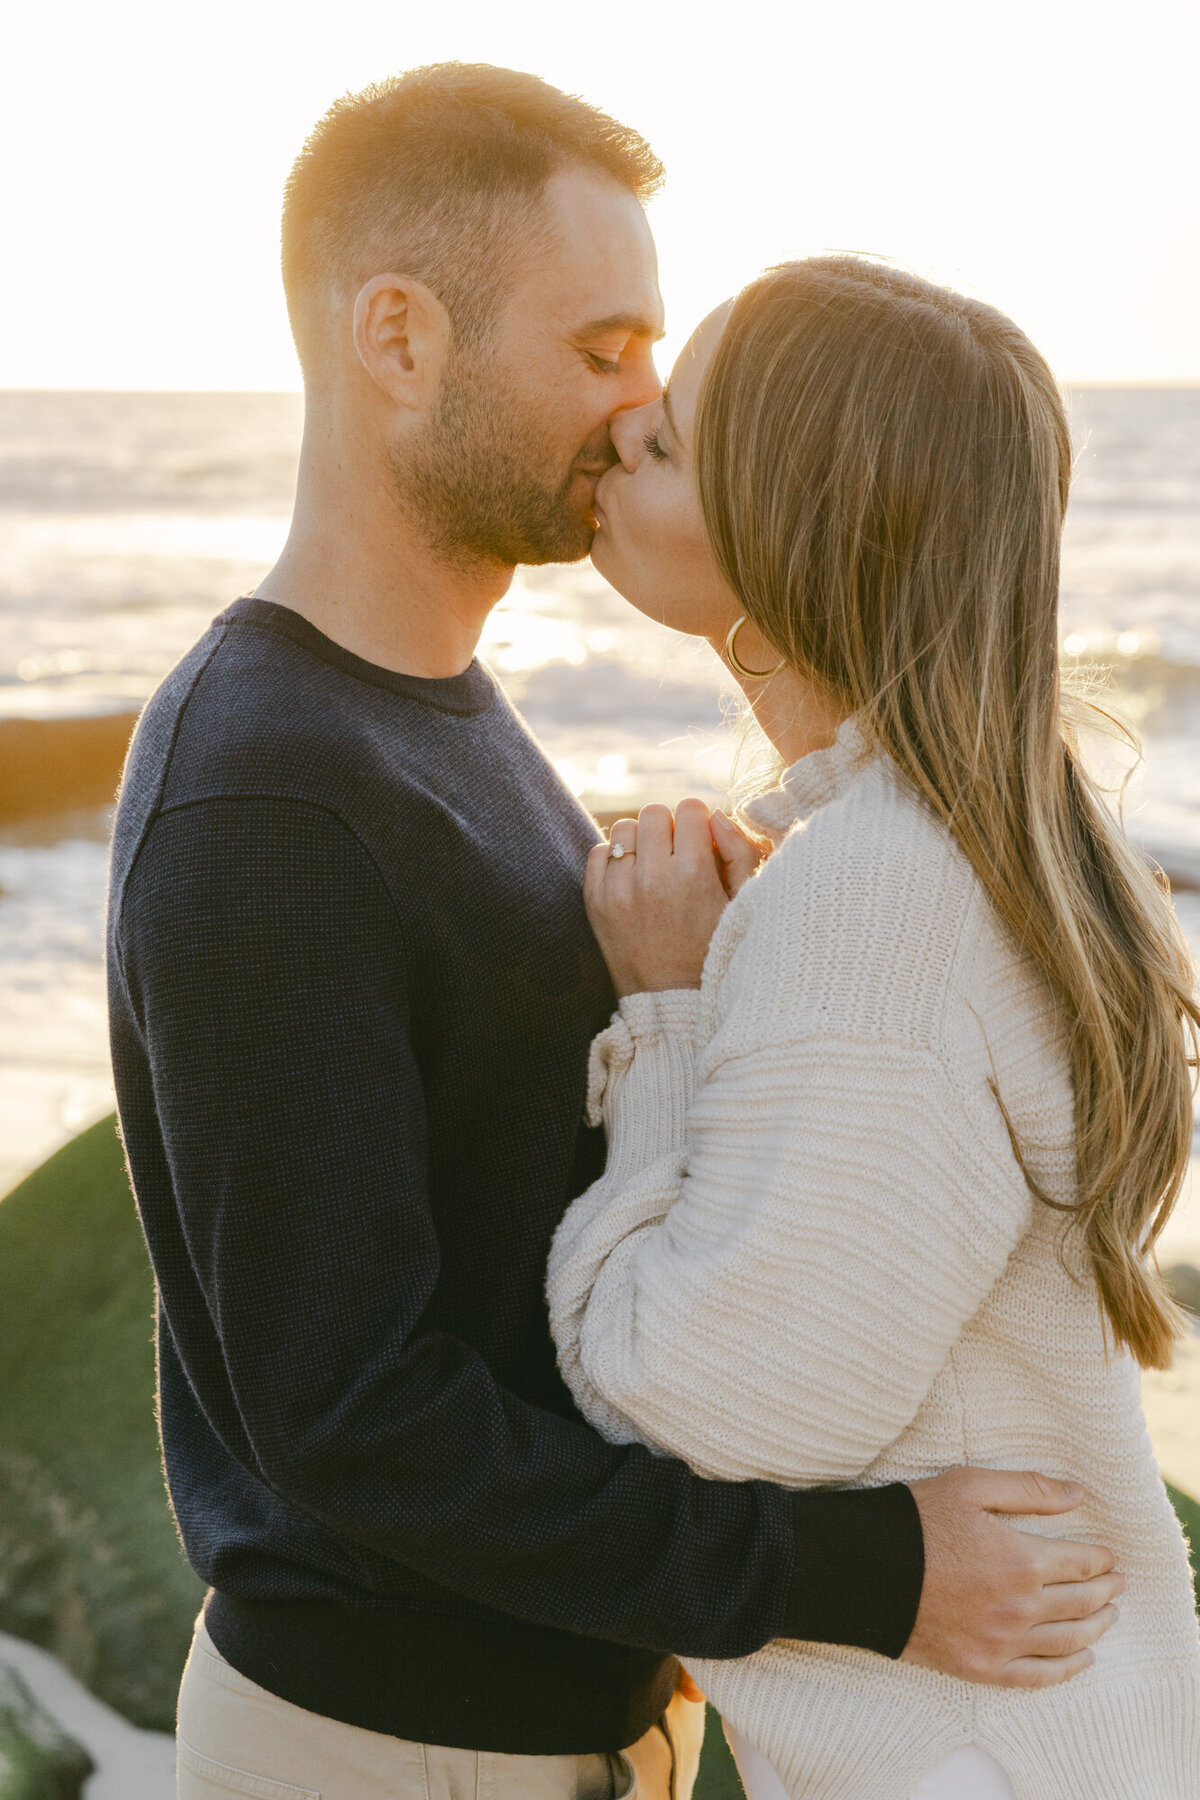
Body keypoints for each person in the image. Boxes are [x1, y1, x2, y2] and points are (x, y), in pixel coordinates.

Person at [107, 70, 1121, 1800]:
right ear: (399, 338)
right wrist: (873, 1578)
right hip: (389, 1745)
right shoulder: (268, 792)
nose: (644, 405)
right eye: (601, 350)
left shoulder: (438, 716)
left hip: (565, 1727)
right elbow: (348, 1414)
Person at [546, 258, 1200, 1799]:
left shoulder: (874, 897)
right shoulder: (965, 843)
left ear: (793, 516)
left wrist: (666, 1014)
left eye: (674, 437)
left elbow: (689, 1403)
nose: (621, 427)